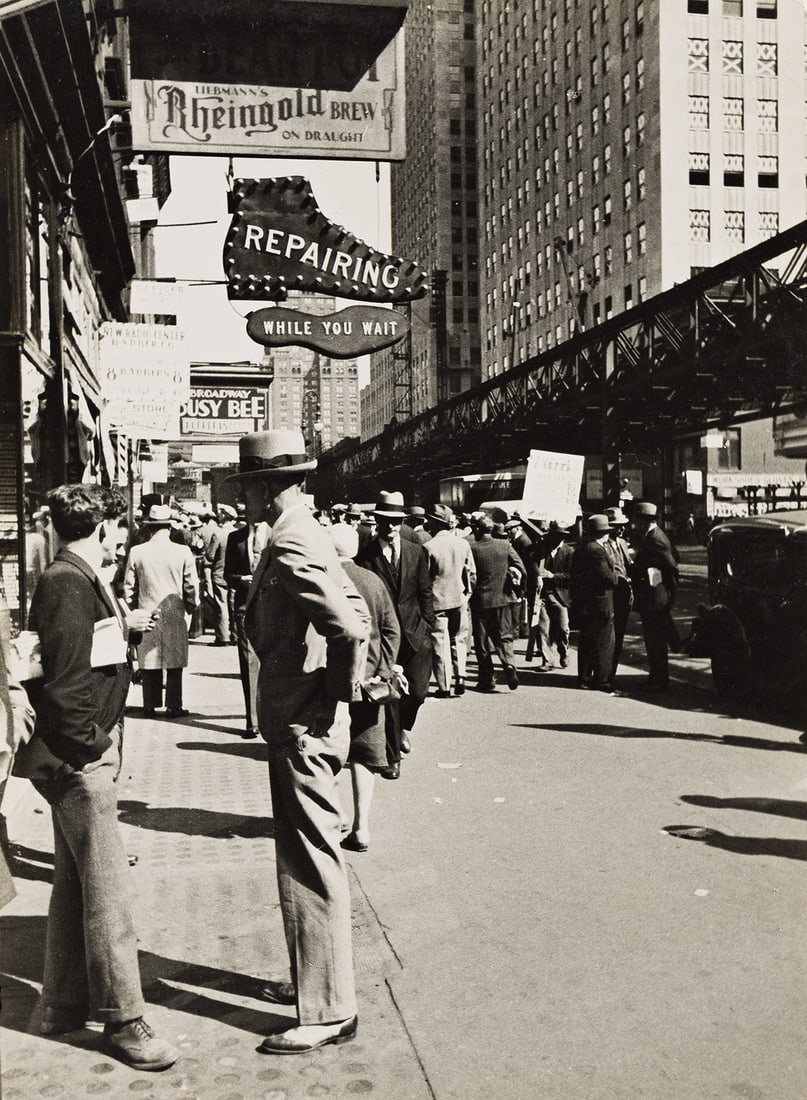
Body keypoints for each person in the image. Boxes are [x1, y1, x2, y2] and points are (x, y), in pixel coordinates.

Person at [21, 484, 177, 1070]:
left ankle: (62, 1004)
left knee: (75, 884)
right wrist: (93, 749)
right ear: (105, 526)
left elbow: (82, 653)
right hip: (79, 758)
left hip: (75, 753)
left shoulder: (78, 574)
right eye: (118, 528)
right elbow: (64, 685)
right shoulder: (67, 580)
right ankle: (123, 1019)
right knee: (108, 893)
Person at [231, 429, 369, 1056]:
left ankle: (328, 1009)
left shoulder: (289, 540)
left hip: (301, 720)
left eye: (248, 488)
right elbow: (354, 616)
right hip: (300, 715)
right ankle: (315, 980)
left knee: (311, 857)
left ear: (266, 486)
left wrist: (330, 699)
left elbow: (347, 627)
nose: (243, 501)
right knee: (304, 850)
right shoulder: (301, 532)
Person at [329, 524, 401, 853]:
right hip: (369, 680)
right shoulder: (373, 581)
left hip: (328, 679)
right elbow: (391, 630)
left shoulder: (323, 581)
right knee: (364, 755)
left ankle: (333, 817)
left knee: (327, 750)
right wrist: (384, 670)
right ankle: (361, 828)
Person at [356, 491, 434, 778]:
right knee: (390, 698)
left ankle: (403, 728)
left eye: (396, 522)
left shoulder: (416, 552)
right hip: (386, 638)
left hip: (415, 635)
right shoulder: (366, 556)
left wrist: (429, 626)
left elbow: (425, 592)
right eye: (384, 521)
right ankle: (393, 758)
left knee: (418, 692)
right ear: (376, 521)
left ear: (403, 522)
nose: (390, 527)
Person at [123, 504, 199, 718]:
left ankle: (150, 704)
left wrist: (132, 608)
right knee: (175, 660)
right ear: (169, 527)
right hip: (174, 609)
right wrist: (191, 604)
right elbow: (191, 584)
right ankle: (174, 705)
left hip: (147, 611)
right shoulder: (182, 551)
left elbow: (129, 586)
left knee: (149, 658)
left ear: (149, 528)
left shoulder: (137, 552)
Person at [468, 513, 525, 691]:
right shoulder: (504, 545)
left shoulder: (472, 547)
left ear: (477, 529)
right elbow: (521, 567)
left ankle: (487, 679)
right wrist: (513, 582)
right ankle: (509, 664)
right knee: (505, 636)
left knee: (483, 642)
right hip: (502, 599)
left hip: (480, 601)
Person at [224, 514, 269, 738]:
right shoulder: (236, 538)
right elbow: (227, 574)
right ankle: (253, 721)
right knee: (249, 662)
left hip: (273, 607)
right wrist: (240, 579)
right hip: (245, 605)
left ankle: (273, 718)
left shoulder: (276, 535)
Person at [425, 503, 476, 697]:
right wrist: (467, 594)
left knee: (441, 643)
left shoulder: (428, 547)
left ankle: (444, 686)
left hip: (438, 600)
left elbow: (425, 578)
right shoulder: (463, 544)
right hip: (460, 598)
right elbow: (471, 573)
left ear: (436, 523)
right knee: (460, 639)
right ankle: (461, 675)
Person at [629, 501, 680, 692]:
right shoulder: (653, 535)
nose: (635, 524)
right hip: (654, 596)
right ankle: (656, 678)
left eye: (637, 520)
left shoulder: (655, 538)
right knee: (654, 639)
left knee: (655, 639)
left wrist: (668, 591)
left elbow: (672, 564)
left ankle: (659, 680)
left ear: (644, 521)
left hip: (655, 597)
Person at [570, 514, 618, 693]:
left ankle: (584, 677)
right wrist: (617, 579)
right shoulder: (597, 551)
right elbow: (606, 577)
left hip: (586, 602)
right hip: (600, 602)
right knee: (603, 642)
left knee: (587, 641)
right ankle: (602, 679)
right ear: (603, 533)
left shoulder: (583, 548)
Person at [532, 523, 575, 668]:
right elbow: (533, 566)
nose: (555, 539)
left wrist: (552, 576)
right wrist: (537, 576)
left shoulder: (569, 552)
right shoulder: (541, 550)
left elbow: (571, 575)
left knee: (563, 628)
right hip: (542, 594)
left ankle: (564, 652)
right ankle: (547, 660)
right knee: (542, 628)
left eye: (558, 536)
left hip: (560, 595)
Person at [604, 507, 634, 681]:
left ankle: (612, 673)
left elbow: (628, 565)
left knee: (620, 635)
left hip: (624, 596)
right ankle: (606, 673)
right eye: (617, 526)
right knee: (609, 637)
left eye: (622, 525)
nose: (621, 528)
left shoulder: (622, 543)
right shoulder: (604, 544)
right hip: (611, 596)